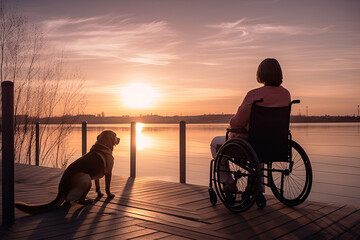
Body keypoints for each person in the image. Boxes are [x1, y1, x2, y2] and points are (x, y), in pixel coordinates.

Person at [210, 58, 291, 192]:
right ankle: (256, 184)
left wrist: (232, 124)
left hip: (252, 143)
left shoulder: (254, 95)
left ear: (261, 74)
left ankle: (228, 182)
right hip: (277, 144)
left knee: (215, 143)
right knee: (261, 141)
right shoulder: (286, 94)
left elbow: (238, 122)